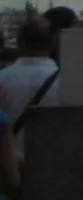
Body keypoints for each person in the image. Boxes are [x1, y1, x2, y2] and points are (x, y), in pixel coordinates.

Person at [0, 18, 60, 172]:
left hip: (9, 168)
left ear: (19, 42)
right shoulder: (67, 82)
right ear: (51, 44)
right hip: (52, 168)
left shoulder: (3, 80)